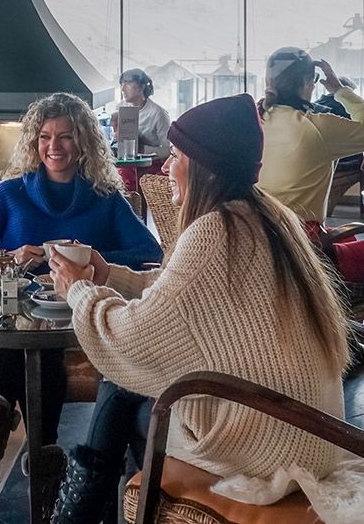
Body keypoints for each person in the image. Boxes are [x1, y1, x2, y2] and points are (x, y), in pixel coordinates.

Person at [49, 93, 353, 524]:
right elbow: (184, 299)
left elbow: (133, 338)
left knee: (124, 386)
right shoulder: (264, 213)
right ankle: (99, 511)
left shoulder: (214, 231)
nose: (166, 167)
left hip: (269, 443)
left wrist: (78, 291)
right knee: (129, 392)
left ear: (204, 165)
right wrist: (109, 277)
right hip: (309, 431)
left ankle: (81, 513)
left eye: (175, 156)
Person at [0, 92, 161, 497]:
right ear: (33, 142)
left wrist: (94, 263)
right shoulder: (11, 194)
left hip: (80, 317)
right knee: (24, 334)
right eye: (44, 136)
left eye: (64, 136)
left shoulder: (106, 198)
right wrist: (5, 257)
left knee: (30, 342)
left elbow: (150, 253)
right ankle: (43, 462)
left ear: (82, 143)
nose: (53, 146)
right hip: (19, 318)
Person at [257, 47, 364, 282]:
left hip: (258, 243)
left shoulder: (254, 120)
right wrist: (340, 91)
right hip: (305, 254)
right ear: (308, 83)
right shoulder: (319, 127)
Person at [110, 68, 170, 160]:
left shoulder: (158, 113)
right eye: (122, 84)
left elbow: (168, 151)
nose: (123, 89)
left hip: (150, 166)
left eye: (128, 83)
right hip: (126, 162)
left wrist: (141, 149)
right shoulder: (120, 107)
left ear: (141, 87)